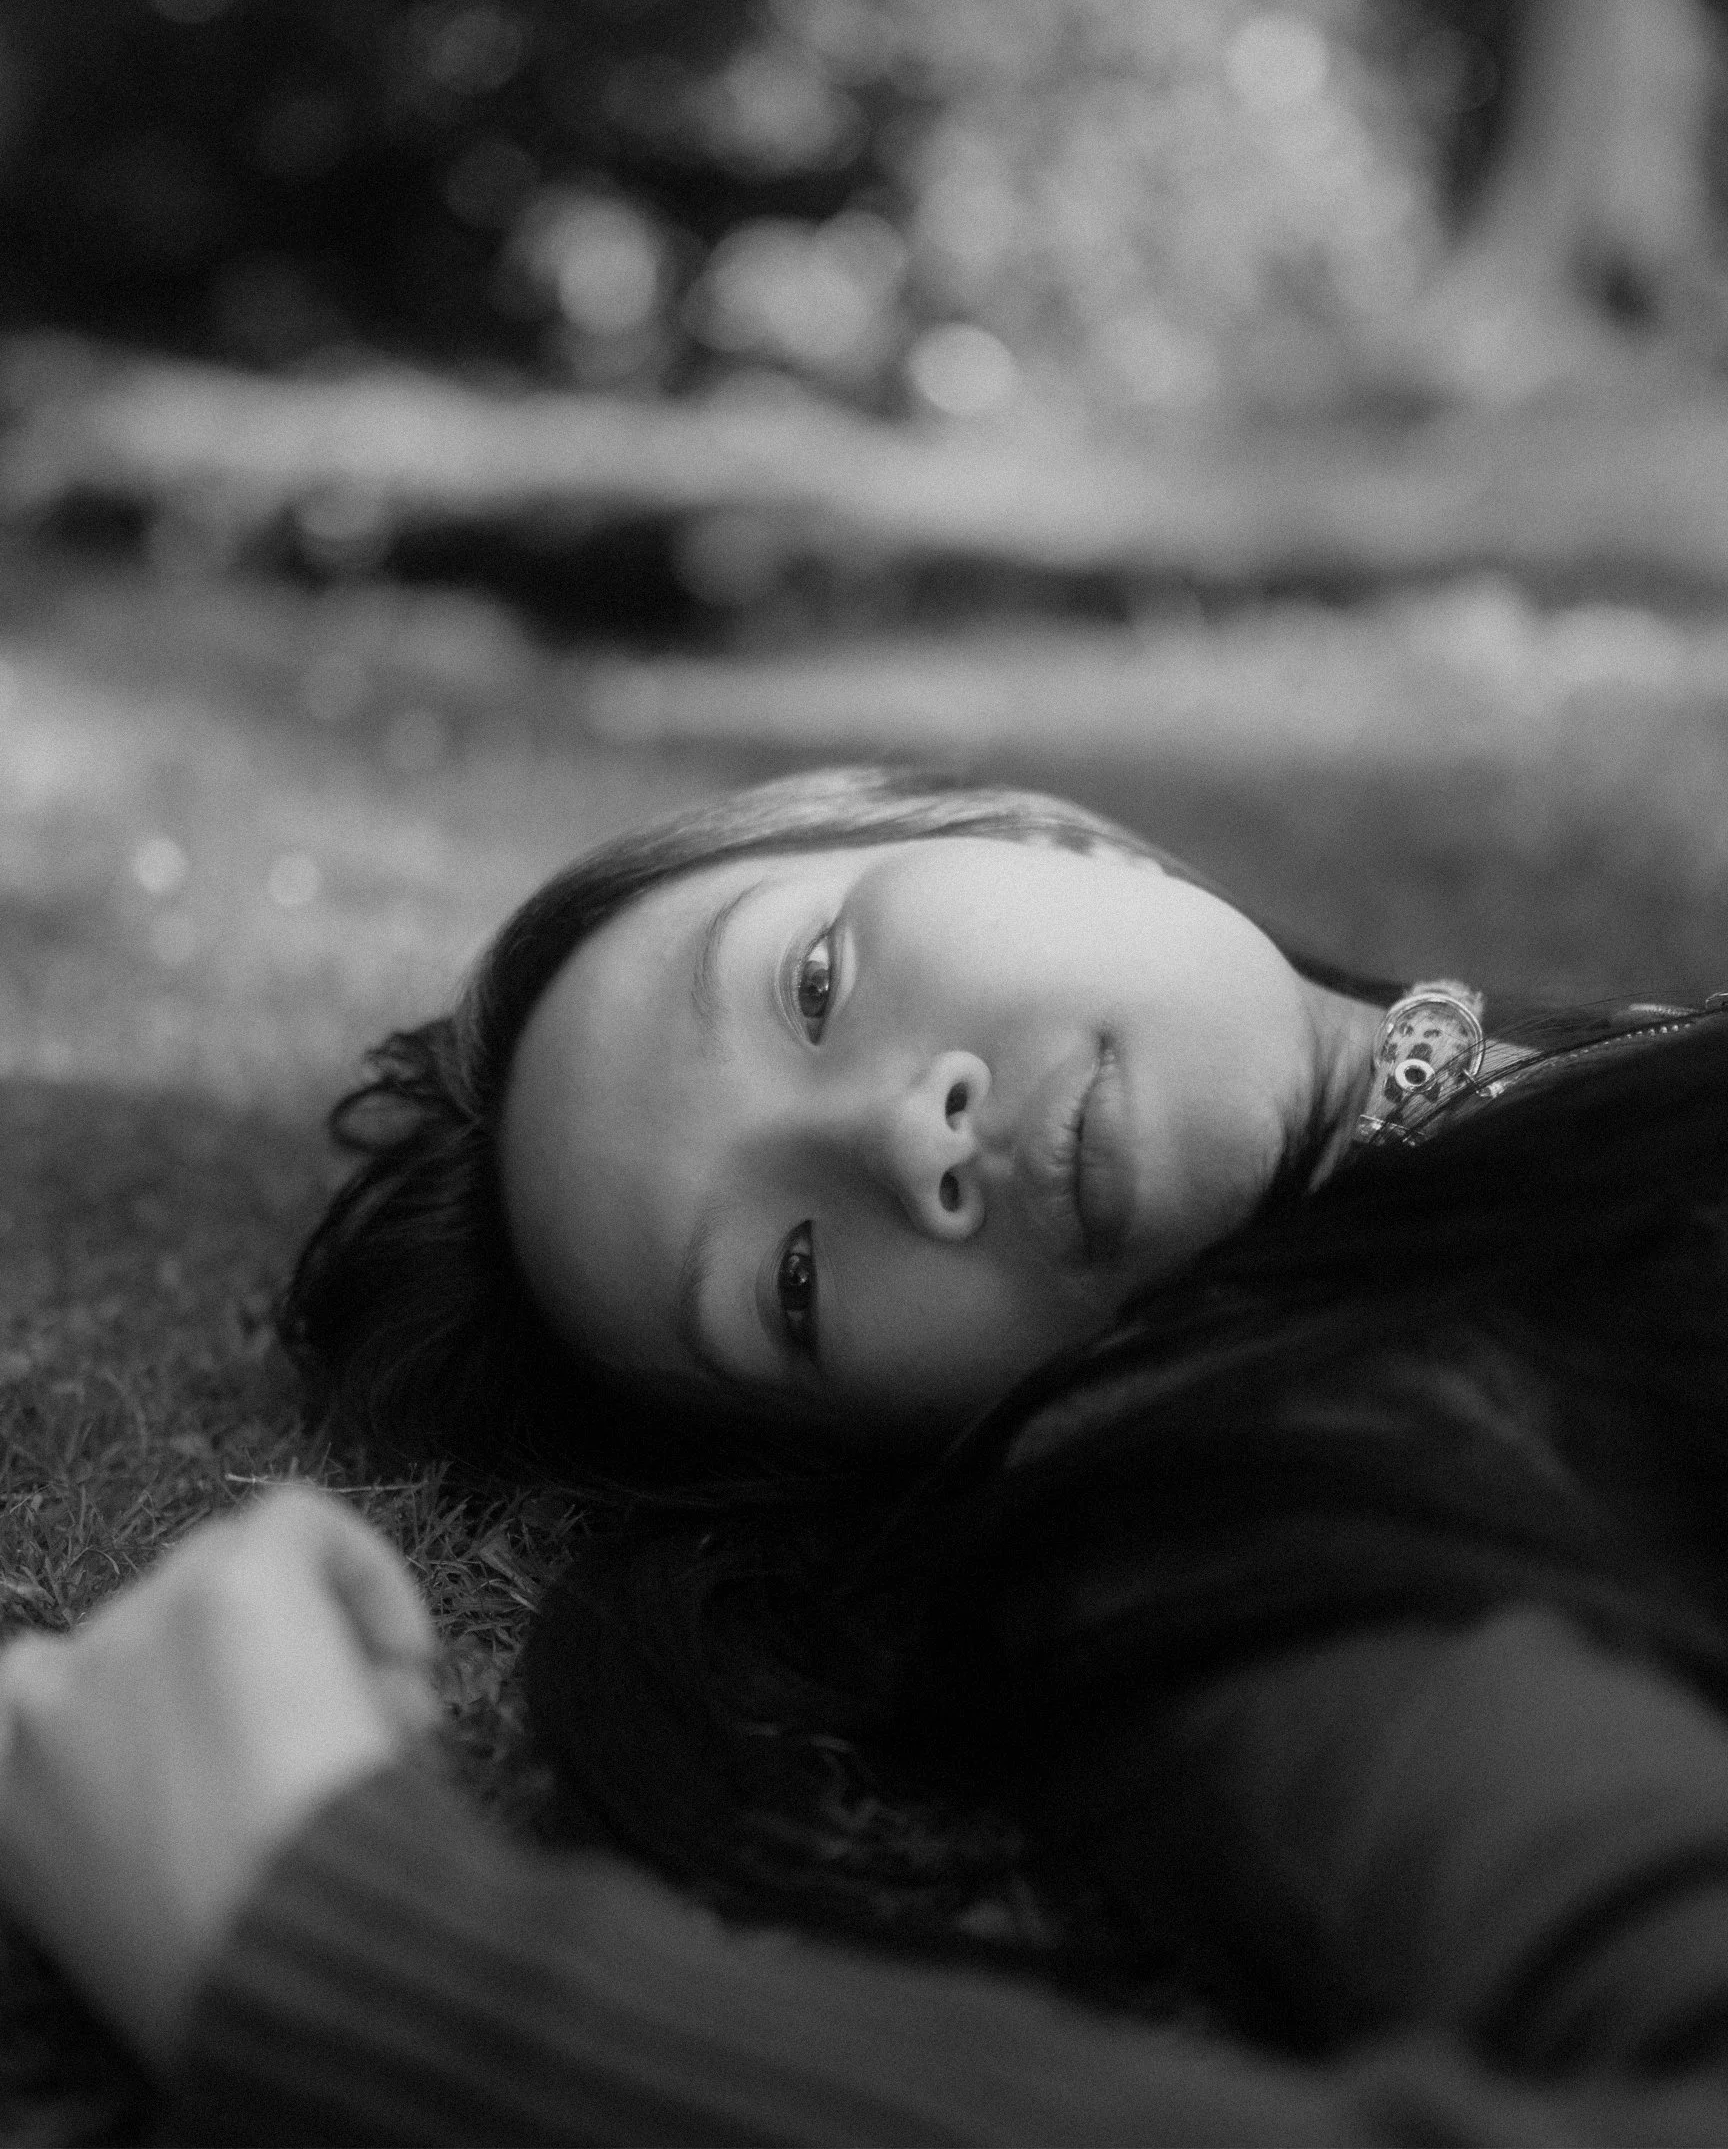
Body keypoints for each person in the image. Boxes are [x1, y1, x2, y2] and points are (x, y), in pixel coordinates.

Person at [4, 763, 1728, 2142]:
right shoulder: (1250, 1498)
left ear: (1021, 829)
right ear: (887, 1444)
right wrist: (356, 1953)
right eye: (797, 1283)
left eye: (813, 982)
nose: (912, 1134)